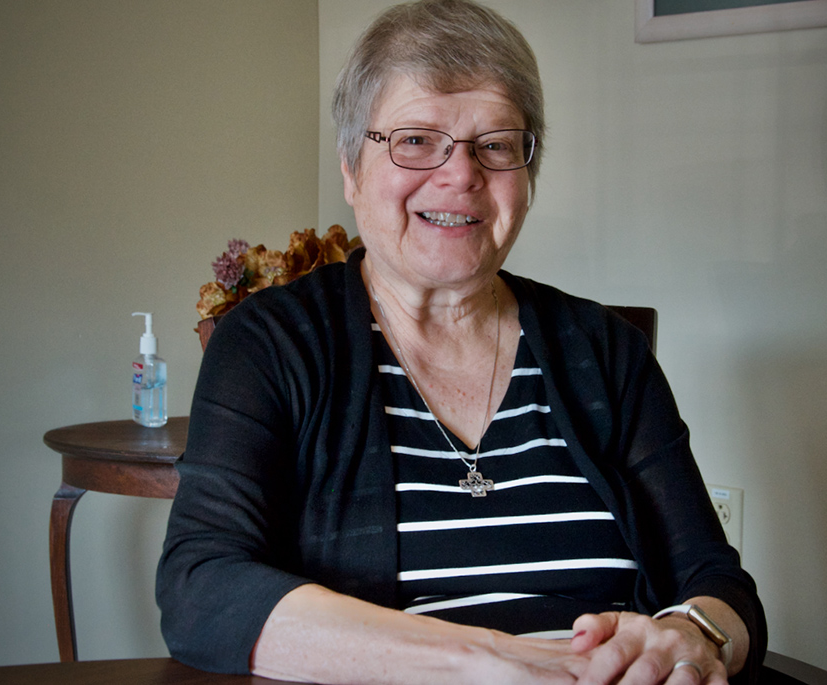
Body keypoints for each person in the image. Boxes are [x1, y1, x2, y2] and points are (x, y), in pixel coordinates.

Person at [156, 1, 766, 683]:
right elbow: (201, 589)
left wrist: (693, 634)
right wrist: (486, 657)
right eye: (416, 140)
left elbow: (716, 581)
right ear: (353, 170)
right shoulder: (271, 344)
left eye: (496, 145)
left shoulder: (607, 351)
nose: (461, 174)